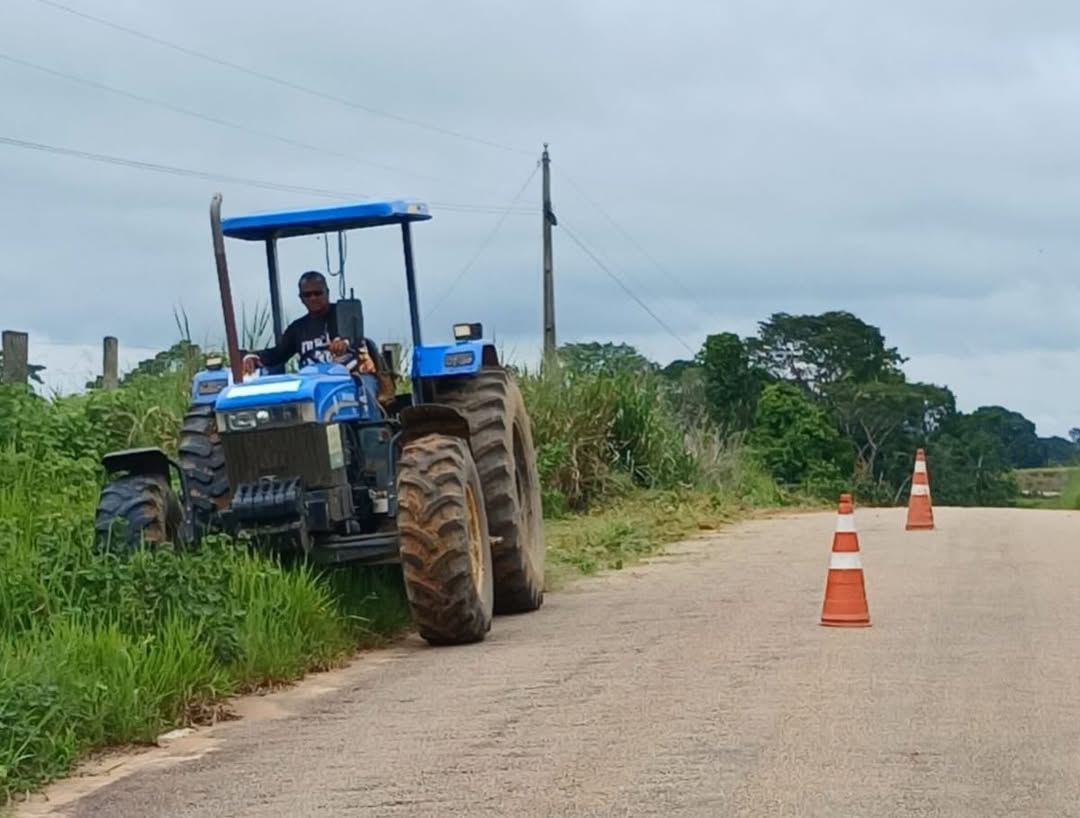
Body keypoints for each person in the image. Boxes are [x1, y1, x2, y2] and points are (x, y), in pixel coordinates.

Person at [242, 270, 395, 406]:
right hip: (313, 383)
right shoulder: (298, 328)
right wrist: (253, 357)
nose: (313, 298)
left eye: (317, 293)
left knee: (365, 391)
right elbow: (278, 353)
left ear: (327, 292)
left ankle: (373, 432)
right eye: (307, 295)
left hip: (350, 377)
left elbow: (353, 338)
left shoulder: (343, 314)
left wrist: (343, 343)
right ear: (301, 298)